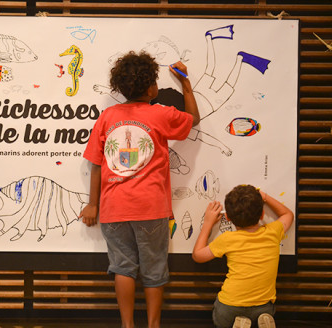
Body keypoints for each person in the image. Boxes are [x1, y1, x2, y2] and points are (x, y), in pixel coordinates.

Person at [79, 51, 200, 328]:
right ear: (151, 88)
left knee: (122, 268)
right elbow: (193, 118)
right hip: (151, 208)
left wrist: (92, 204)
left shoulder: (108, 116)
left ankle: (127, 324)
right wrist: (186, 85)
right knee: (154, 269)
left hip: (113, 209)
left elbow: (96, 163)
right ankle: (153, 324)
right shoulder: (161, 114)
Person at [192, 185, 294, 328]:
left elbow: (198, 255)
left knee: (219, 318)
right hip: (263, 306)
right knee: (263, 314)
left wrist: (208, 223)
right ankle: (260, 322)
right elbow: (288, 215)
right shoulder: (273, 232)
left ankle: (238, 324)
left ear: (227, 217)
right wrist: (264, 197)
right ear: (262, 214)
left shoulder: (227, 239)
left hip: (229, 307)